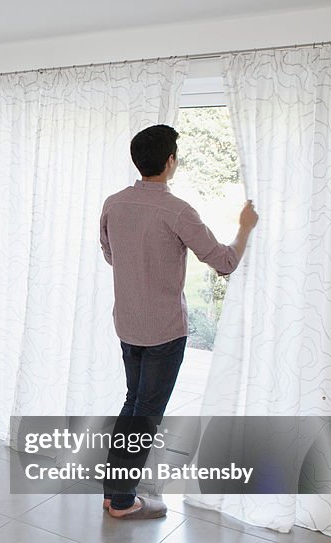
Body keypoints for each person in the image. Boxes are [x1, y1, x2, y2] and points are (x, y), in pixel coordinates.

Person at [98, 124, 258, 519]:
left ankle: (114, 491)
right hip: (163, 332)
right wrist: (245, 227)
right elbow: (224, 262)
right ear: (170, 161)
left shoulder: (114, 203)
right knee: (145, 414)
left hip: (129, 325)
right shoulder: (177, 210)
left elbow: (109, 254)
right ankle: (121, 501)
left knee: (133, 404)